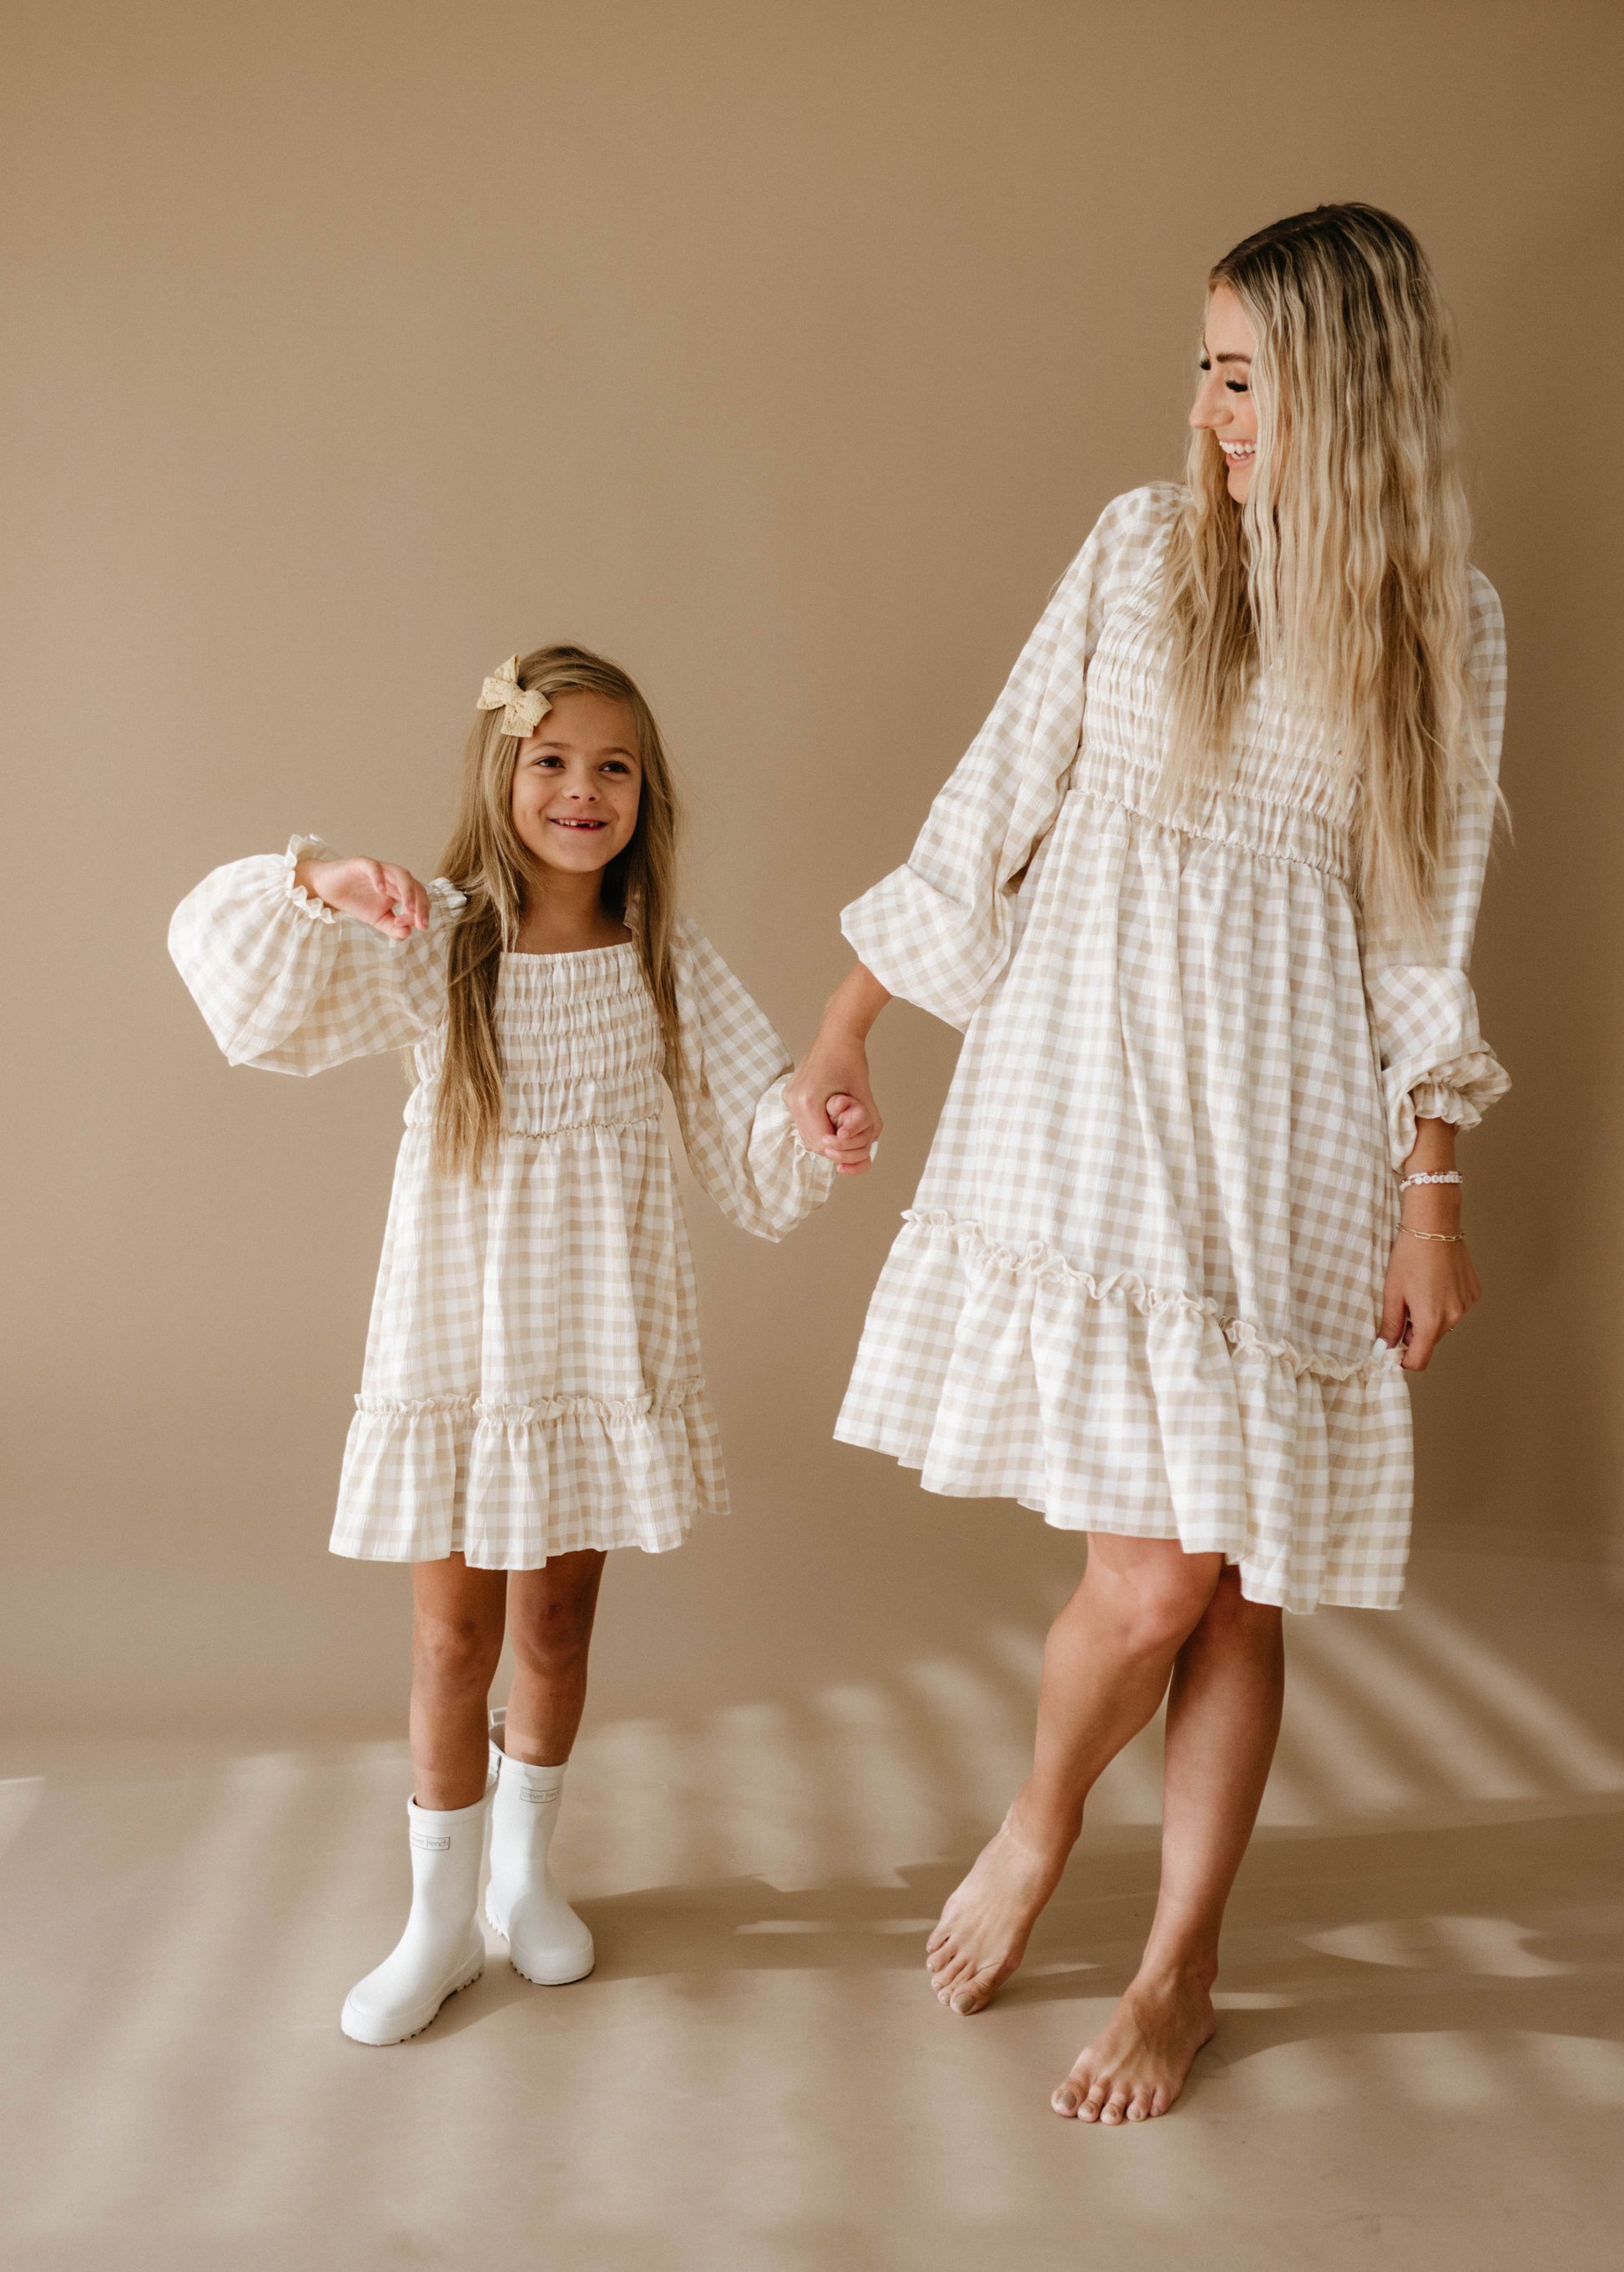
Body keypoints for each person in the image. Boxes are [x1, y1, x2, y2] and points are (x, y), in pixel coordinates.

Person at [787, 203, 1508, 2124]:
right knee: (1153, 1576)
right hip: (1089, 1097)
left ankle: (1180, 1959)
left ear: (1346, 390)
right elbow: (993, 796)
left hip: (1287, 1123)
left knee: (1231, 1576)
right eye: (1202, 367)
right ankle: (1039, 1822)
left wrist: (1429, 1186)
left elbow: (1421, 926)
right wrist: (848, 1020)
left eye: (1247, 374)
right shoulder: (1137, 547)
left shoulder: (1444, 618)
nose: (1208, 411)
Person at [171, 644, 864, 2044]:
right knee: (450, 1638)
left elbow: (752, 1123)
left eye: (613, 765)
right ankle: (434, 1921)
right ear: (503, 776)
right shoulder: (439, 939)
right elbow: (240, 983)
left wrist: (814, 1118)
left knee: (554, 1624)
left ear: (645, 794)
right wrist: (325, 880)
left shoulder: (667, 960)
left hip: (595, 1354)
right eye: (552, 760)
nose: (581, 789)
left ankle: (524, 1881)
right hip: (461, 1350)